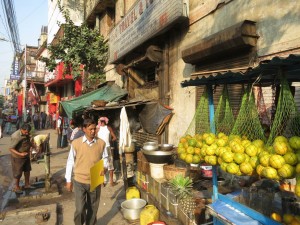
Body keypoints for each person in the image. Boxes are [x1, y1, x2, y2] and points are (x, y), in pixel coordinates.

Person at [65, 118, 105, 225]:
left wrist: (103, 169)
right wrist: (68, 180)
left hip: (95, 181)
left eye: (94, 129)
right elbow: (70, 162)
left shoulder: (101, 143)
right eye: (90, 129)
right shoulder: (76, 143)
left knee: (93, 209)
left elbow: (105, 159)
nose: (93, 131)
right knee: (80, 209)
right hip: (79, 181)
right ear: (84, 129)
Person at [9, 123, 33, 193]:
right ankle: (16, 187)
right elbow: (11, 148)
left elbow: (28, 141)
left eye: (28, 132)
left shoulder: (27, 133)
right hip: (17, 157)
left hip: (26, 155)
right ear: (22, 130)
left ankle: (27, 184)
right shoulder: (16, 136)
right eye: (25, 132)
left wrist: (33, 146)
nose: (27, 133)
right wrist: (20, 154)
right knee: (18, 173)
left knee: (27, 170)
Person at [96, 117, 117, 186]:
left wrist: (109, 142)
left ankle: (108, 182)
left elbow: (114, 137)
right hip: (103, 148)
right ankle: (106, 182)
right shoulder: (98, 129)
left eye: (102, 121)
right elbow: (114, 138)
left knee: (108, 164)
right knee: (105, 164)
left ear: (105, 121)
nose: (101, 122)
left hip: (105, 148)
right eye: (100, 121)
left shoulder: (106, 128)